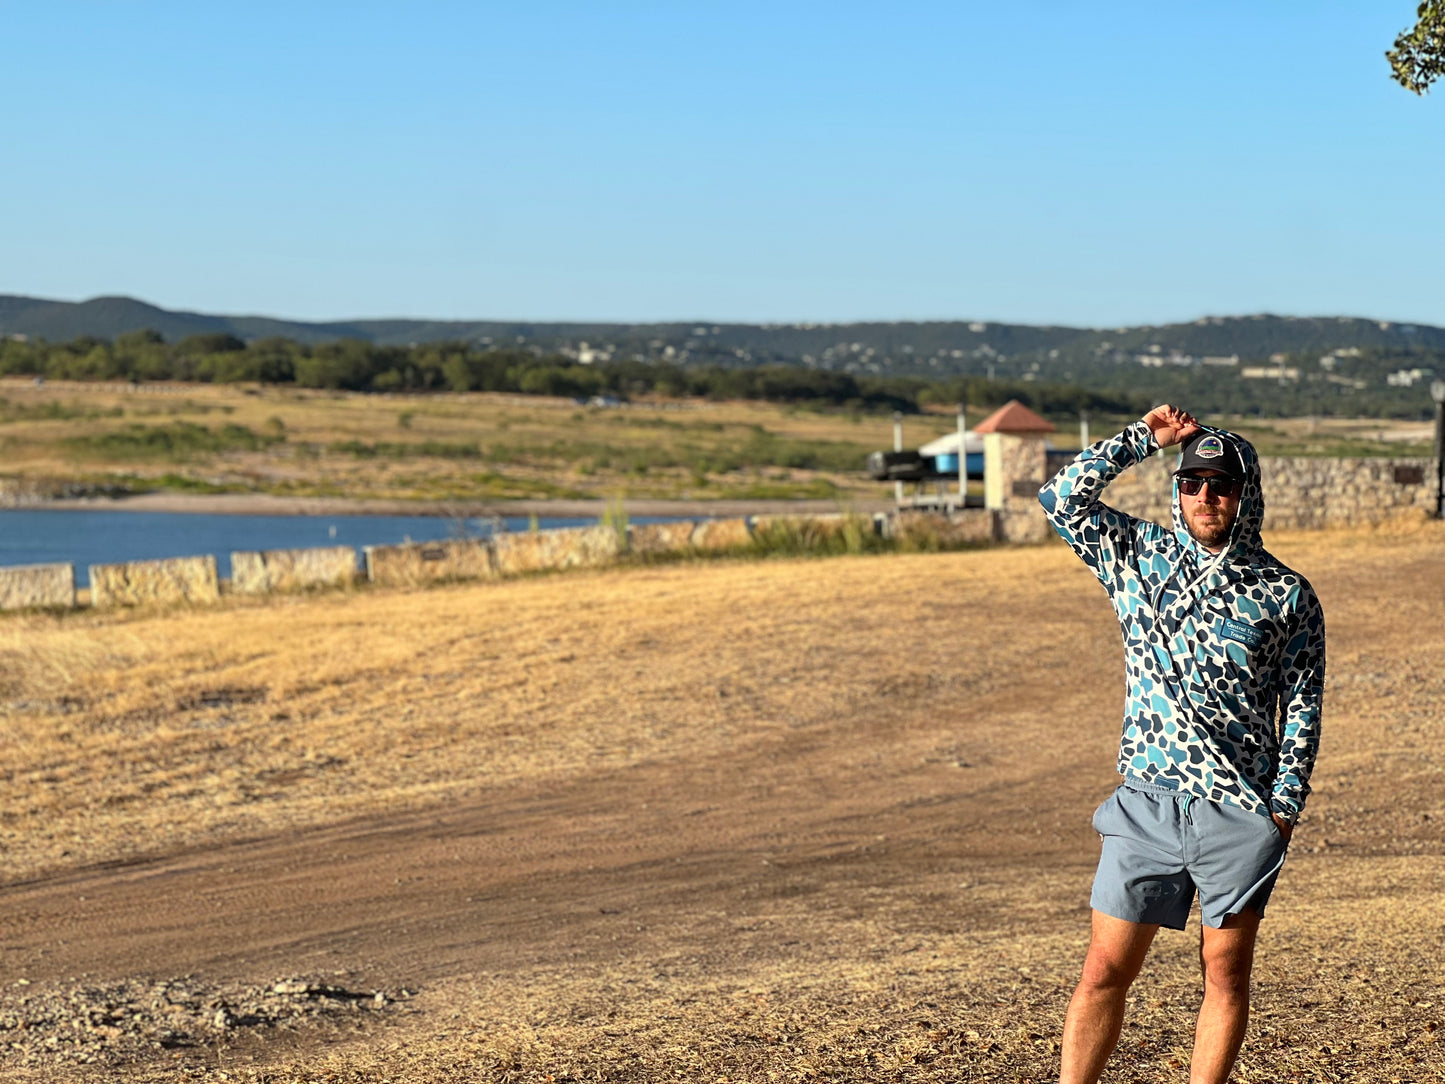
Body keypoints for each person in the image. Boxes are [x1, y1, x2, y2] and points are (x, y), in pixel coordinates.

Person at [1037, 404, 1326, 1084]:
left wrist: (1279, 812)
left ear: (1244, 494)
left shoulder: (1287, 596)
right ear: (1176, 488)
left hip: (1240, 816)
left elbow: (1304, 707)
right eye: (1192, 482)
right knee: (1104, 969)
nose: (1205, 496)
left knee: (1223, 975)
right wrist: (1145, 438)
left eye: (1220, 485)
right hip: (1146, 805)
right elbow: (1059, 498)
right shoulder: (1136, 556)